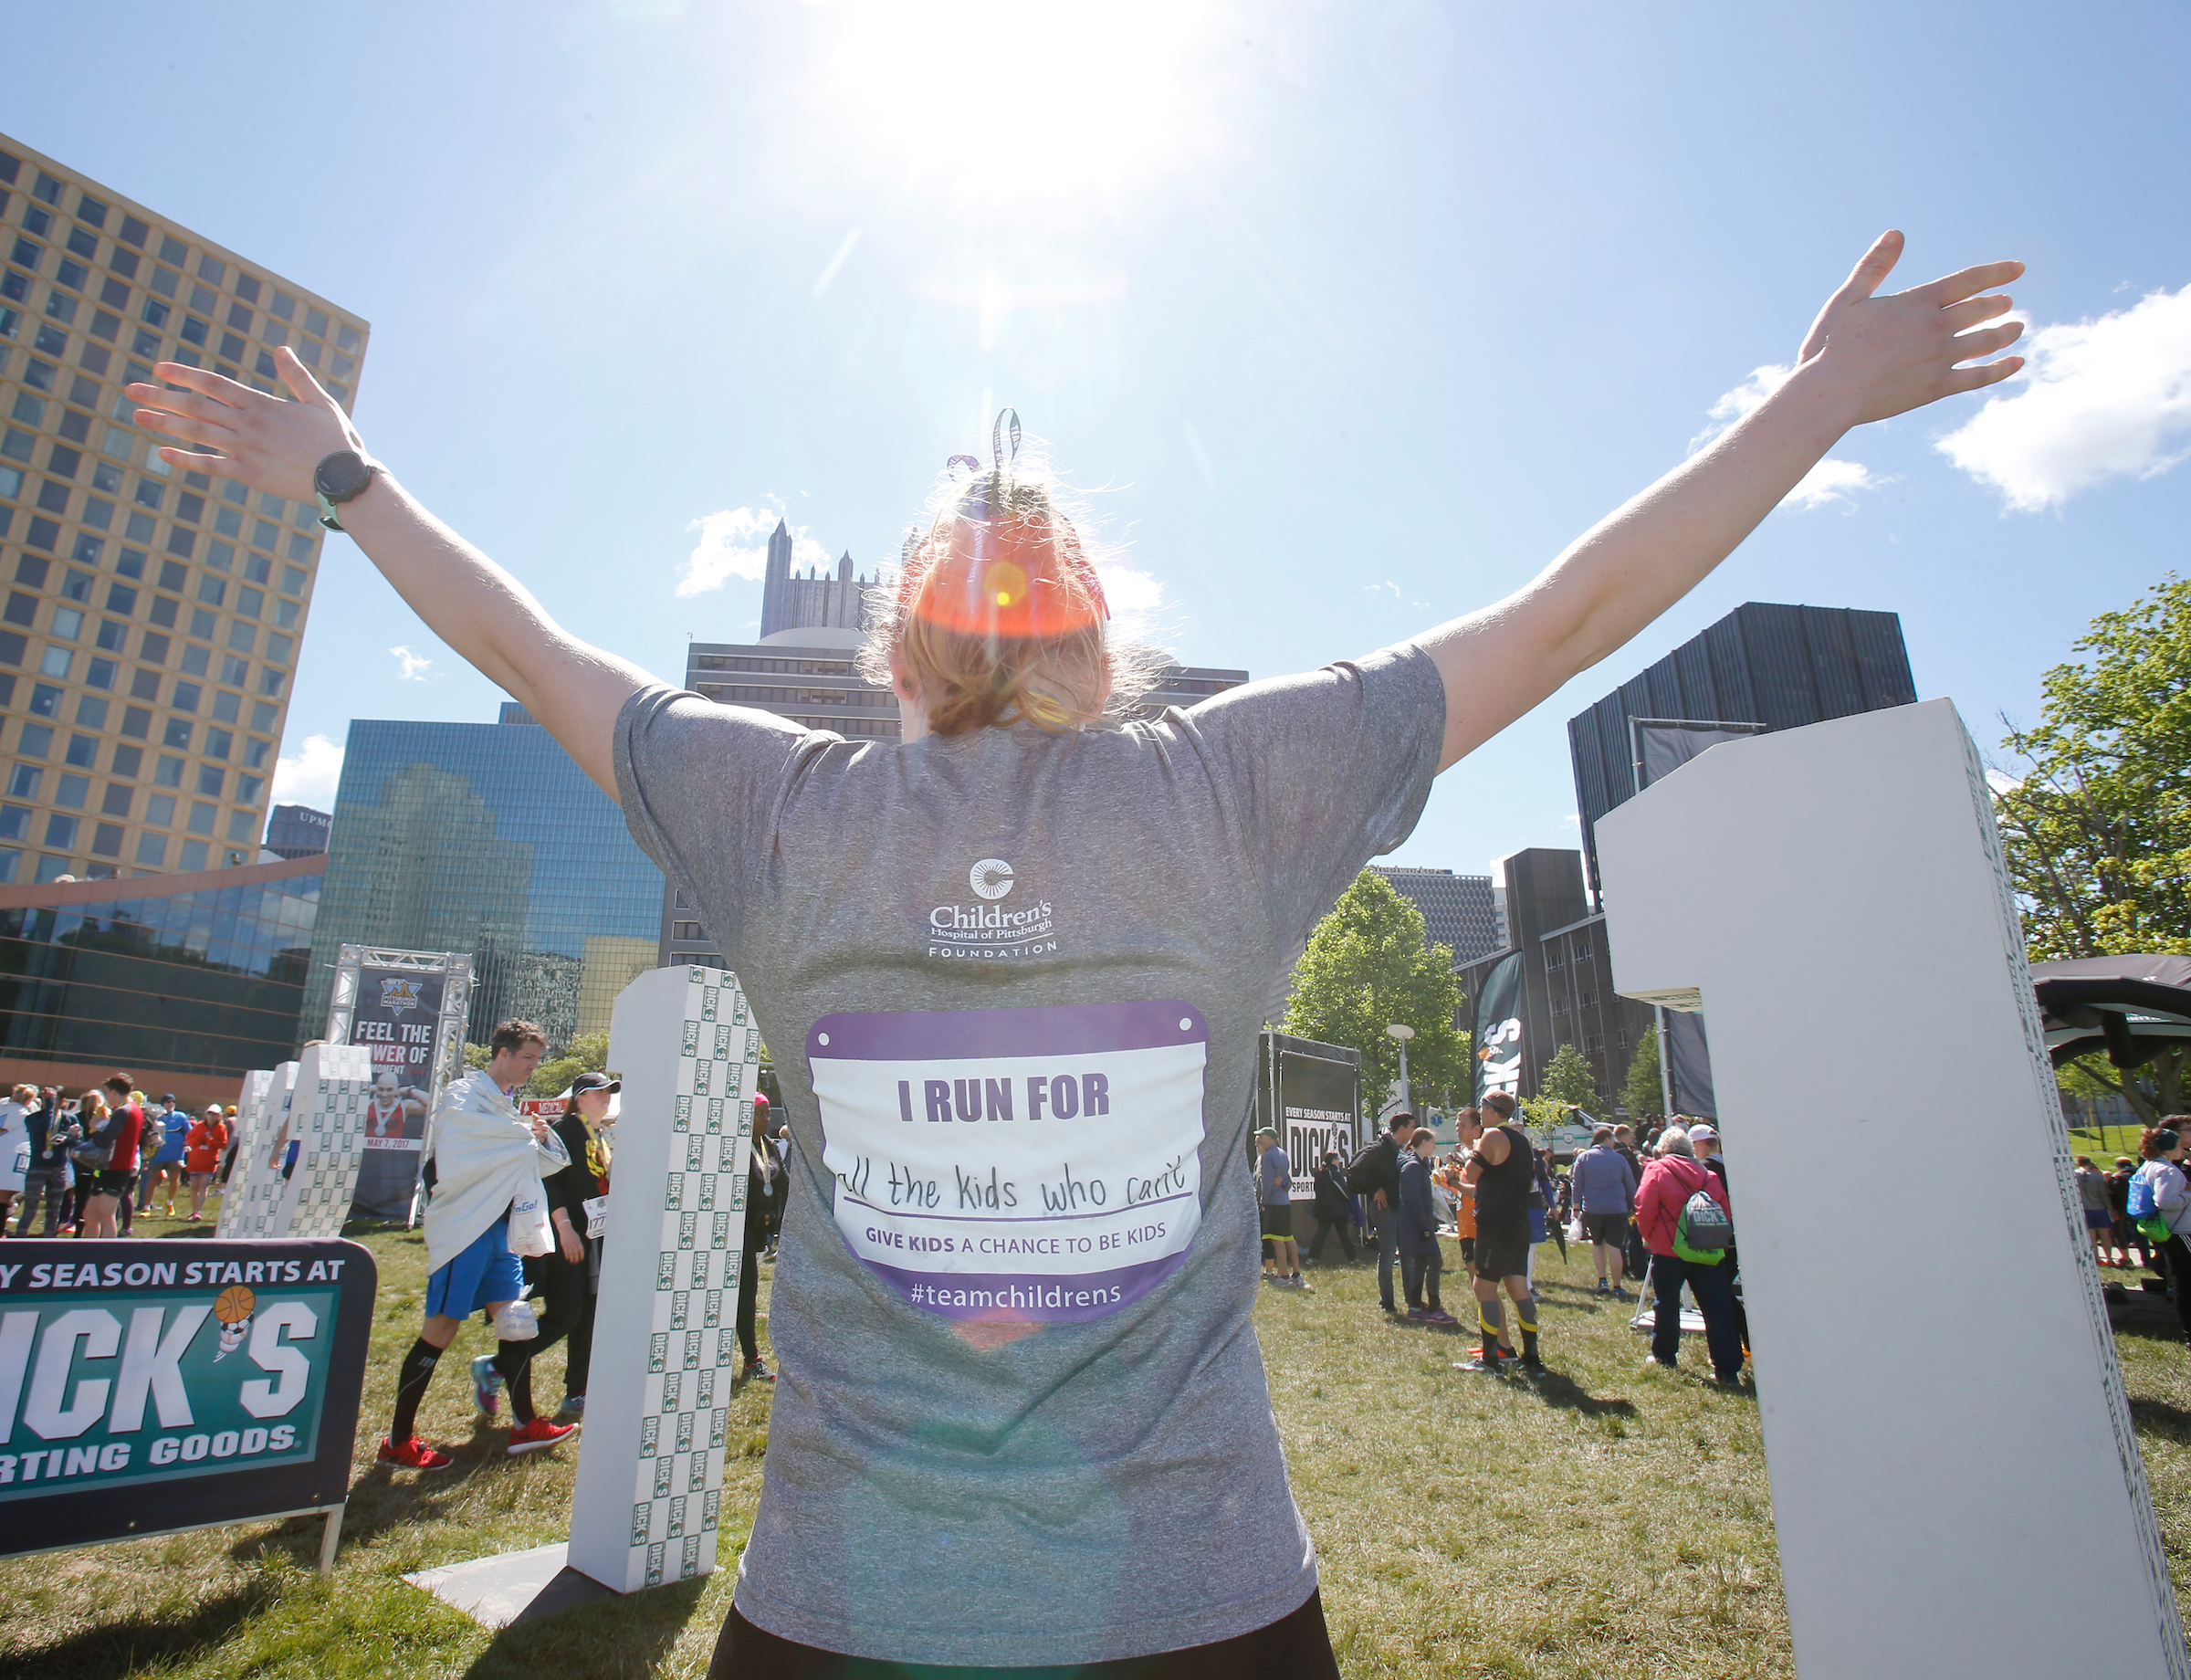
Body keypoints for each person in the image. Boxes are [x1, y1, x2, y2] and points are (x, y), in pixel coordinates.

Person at [127, 227, 2024, 1674]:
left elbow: (527, 649)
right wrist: (1816, 400)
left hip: (840, 1603)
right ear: (1107, 642)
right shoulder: (1235, 783)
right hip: (1199, 1594)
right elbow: (1569, 612)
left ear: (896, 654)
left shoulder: (781, 811)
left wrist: (347, 481)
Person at [380, 1020, 576, 1467]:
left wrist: (535, 1136)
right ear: (502, 1053)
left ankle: (525, 1424)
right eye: (528, 1058)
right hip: (465, 1230)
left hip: (498, 1231)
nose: (533, 1067)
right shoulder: (463, 1096)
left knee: (516, 1321)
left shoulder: (506, 1107)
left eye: (537, 1059)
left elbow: (528, 1153)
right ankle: (397, 1442)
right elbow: (471, 1141)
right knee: (442, 1329)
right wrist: (528, 1136)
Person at [507, 1069, 617, 1423]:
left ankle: (576, 1392)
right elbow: (549, 1180)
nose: (606, 1097)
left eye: (609, 1092)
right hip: (567, 1238)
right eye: (599, 1092)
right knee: (565, 1316)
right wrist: (565, 1228)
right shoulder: (566, 1129)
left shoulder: (596, 1133)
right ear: (580, 1097)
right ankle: (497, 1365)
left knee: (587, 1319)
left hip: (593, 1237)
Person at [1633, 1128, 1743, 1382]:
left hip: (1669, 1249)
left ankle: (1664, 1355)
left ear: (1663, 1150)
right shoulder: (1708, 1175)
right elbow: (1723, 1212)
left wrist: (1649, 1236)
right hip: (1706, 1249)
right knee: (1717, 1308)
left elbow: (1644, 1206)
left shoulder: (1657, 1169)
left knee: (1667, 1304)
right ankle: (1727, 1368)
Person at [1457, 1090, 1544, 1376]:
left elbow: (1470, 1174)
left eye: (1481, 1109)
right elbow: (1495, 1182)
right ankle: (1531, 1357)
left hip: (1496, 1225)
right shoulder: (1522, 1141)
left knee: (1484, 1287)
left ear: (1491, 1110)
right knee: (1519, 1289)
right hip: (1519, 1222)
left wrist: (1468, 1154)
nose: (1479, 1115)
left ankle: (1491, 1357)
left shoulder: (1492, 1136)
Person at [2130, 1125, 2191, 1349]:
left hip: (2165, 1232)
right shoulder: (2168, 1170)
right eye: (2179, 1145)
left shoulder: (2148, 1166)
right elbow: (2164, 1201)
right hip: (2181, 1230)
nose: (2182, 1150)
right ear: (2169, 1148)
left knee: (2183, 1284)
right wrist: (2186, 1196)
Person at [1352, 1111, 1417, 1315]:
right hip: (1384, 1207)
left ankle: (1412, 1299)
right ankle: (1387, 1301)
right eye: (1412, 1127)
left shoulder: (1399, 1150)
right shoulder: (1379, 1148)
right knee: (1388, 1253)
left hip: (1399, 1206)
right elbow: (1355, 1169)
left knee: (1406, 1253)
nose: (1414, 1131)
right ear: (1403, 1128)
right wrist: (1375, 1189)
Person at [738, 1083, 778, 1386]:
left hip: (760, 1230)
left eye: (766, 1113)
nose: (765, 1118)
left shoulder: (769, 1146)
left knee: (748, 1294)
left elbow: (784, 1182)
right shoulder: (737, 1147)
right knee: (745, 1294)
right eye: (759, 1113)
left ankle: (750, 1355)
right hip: (738, 1231)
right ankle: (752, 1358)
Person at [1570, 1124, 1639, 1298]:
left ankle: (1602, 1280)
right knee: (1615, 1247)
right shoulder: (1619, 1159)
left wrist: (1576, 1207)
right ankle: (1617, 1285)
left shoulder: (1583, 1158)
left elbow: (1577, 1185)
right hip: (1617, 1208)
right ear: (1607, 1139)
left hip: (1593, 1208)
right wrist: (1634, 1206)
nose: (1615, 1143)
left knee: (1598, 1243)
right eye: (1613, 1140)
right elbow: (1630, 1185)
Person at [1397, 1128, 1455, 1324]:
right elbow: (1412, 1200)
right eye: (1432, 1142)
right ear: (1423, 1142)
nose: (1435, 1146)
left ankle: (1415, 1306)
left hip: (1419, 1223)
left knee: (1422, 1263)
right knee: (1435, 1261)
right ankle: (1433, 1306)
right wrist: (1424, 1226)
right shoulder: (1412, 1166)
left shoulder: (1419, 1165)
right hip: (1415, 1225)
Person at [79, 1076, 143, 1241]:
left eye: (107, 1092)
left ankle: (105, 1255)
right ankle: (89, 1250)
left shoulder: (123, 1111)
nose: (106, 1096)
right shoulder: (133, 1109)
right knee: (90, 1214)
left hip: (117, 1167)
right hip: (111, 1167)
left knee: (106, 1215)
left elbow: (105, 1139)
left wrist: (96, 1127)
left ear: (114, 1091)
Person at [16, 1086, 67, 1237]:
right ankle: (20, 1237)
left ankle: (49, 1237)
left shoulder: (68, 1118)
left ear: (63, 1101)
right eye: (46, 1099)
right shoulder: (33, 1118)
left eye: (54, 1099)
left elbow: (77, 1141)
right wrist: (50, 1103)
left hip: (58, 1167)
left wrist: (69, 1139)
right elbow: (46, 1126)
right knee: (31, 1205)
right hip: (38, 1166)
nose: (48, 1102)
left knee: (54, 1207)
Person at [1255, 1129, 1303, 1287]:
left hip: (1273, 1204)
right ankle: (1296, 1274)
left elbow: (1266, 1183)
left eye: (1261, 1137)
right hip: (1285, 1202)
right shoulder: (1283, 1154)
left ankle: (1283, 1276)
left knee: (1277, 1241)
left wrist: (1263, 1203)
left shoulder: (1268, 1156)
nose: (1259, 1140)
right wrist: (1282, 1183)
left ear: (1270, 1138)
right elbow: (1287, 1182)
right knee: (1289, 1238)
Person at [140, 1095, 190, 1219]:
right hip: (159, 1153)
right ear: (163, 1104)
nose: (171, 1103)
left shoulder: (181, 1117)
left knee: (174, 1179)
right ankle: (146, 1206)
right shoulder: (157, 1117)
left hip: (176, 1152)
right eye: (168, 1101)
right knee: (153, 1179)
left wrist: (188, 1145)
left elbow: (189, 1132)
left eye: (173, 1101)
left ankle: (170, 1203)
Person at [1306, 1150, 1357, 1265]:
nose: (1339, 1162)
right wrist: (1349, 1196)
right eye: (1338, 1159)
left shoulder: (1320, 1173)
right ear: (1333, 1161)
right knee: (1344, 1235)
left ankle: (1312, 1258)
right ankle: (1352, 1259)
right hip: (1337, 1210)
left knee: (1321, 1234)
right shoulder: (1333, 1173)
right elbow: (1341, 1189)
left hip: (1323, 1209)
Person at [183, 1103, 229, 1221]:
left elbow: (222, 1144)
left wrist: (210, 1140)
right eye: (209, 1113)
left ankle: (198, 1211)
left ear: (219, 1116)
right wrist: (197, 1141)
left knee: (203, 1186)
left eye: (214, 1114)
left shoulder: (221, 1128)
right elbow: (189, 1139)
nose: (211, 1116)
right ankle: (193, 1211)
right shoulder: (199, 1126)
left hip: (209, 1161)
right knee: (194, 1187)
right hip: (196, 1159)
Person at [2074, 1154, 2113, 1265]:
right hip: (2099, 1208)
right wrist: (2110, 1208)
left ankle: (2096, 1258)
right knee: (2105, 1234)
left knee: (2091, 1235)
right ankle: (2109, 1258)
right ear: (2090, 1163)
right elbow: (2103, 1194)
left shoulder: (2074, 1175)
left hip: (2084, 1209)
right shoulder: (2097, 1176)